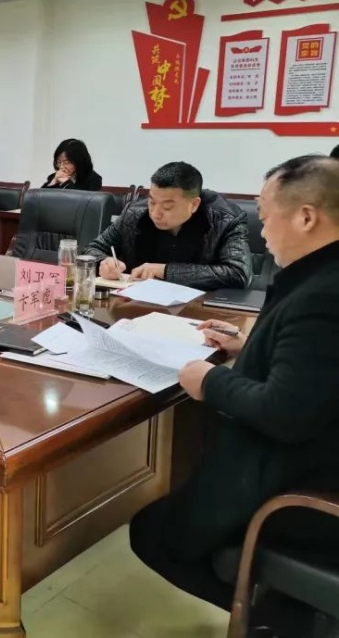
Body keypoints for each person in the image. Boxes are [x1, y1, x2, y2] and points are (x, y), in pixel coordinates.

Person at [130, 156, 339, 638]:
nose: (262, 232)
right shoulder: (322, 276)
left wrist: (210, 381)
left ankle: (277, 617)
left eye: (265, 216)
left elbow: (286, 412)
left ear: (306, 217)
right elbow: (315, 369)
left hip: (303, 489)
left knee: (153, 533)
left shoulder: (324, 295)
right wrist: (249, 346)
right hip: (314, 454)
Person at [84, 161, 251, 290]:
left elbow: (238, 273)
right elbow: (92, 249)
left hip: (199, 311)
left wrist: (165, 271)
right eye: (152, 202)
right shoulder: (134, 214)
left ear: (194, 204)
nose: (155, 213)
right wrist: (103, 262)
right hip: (137, 305)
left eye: (167, 207)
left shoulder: (225, 220)